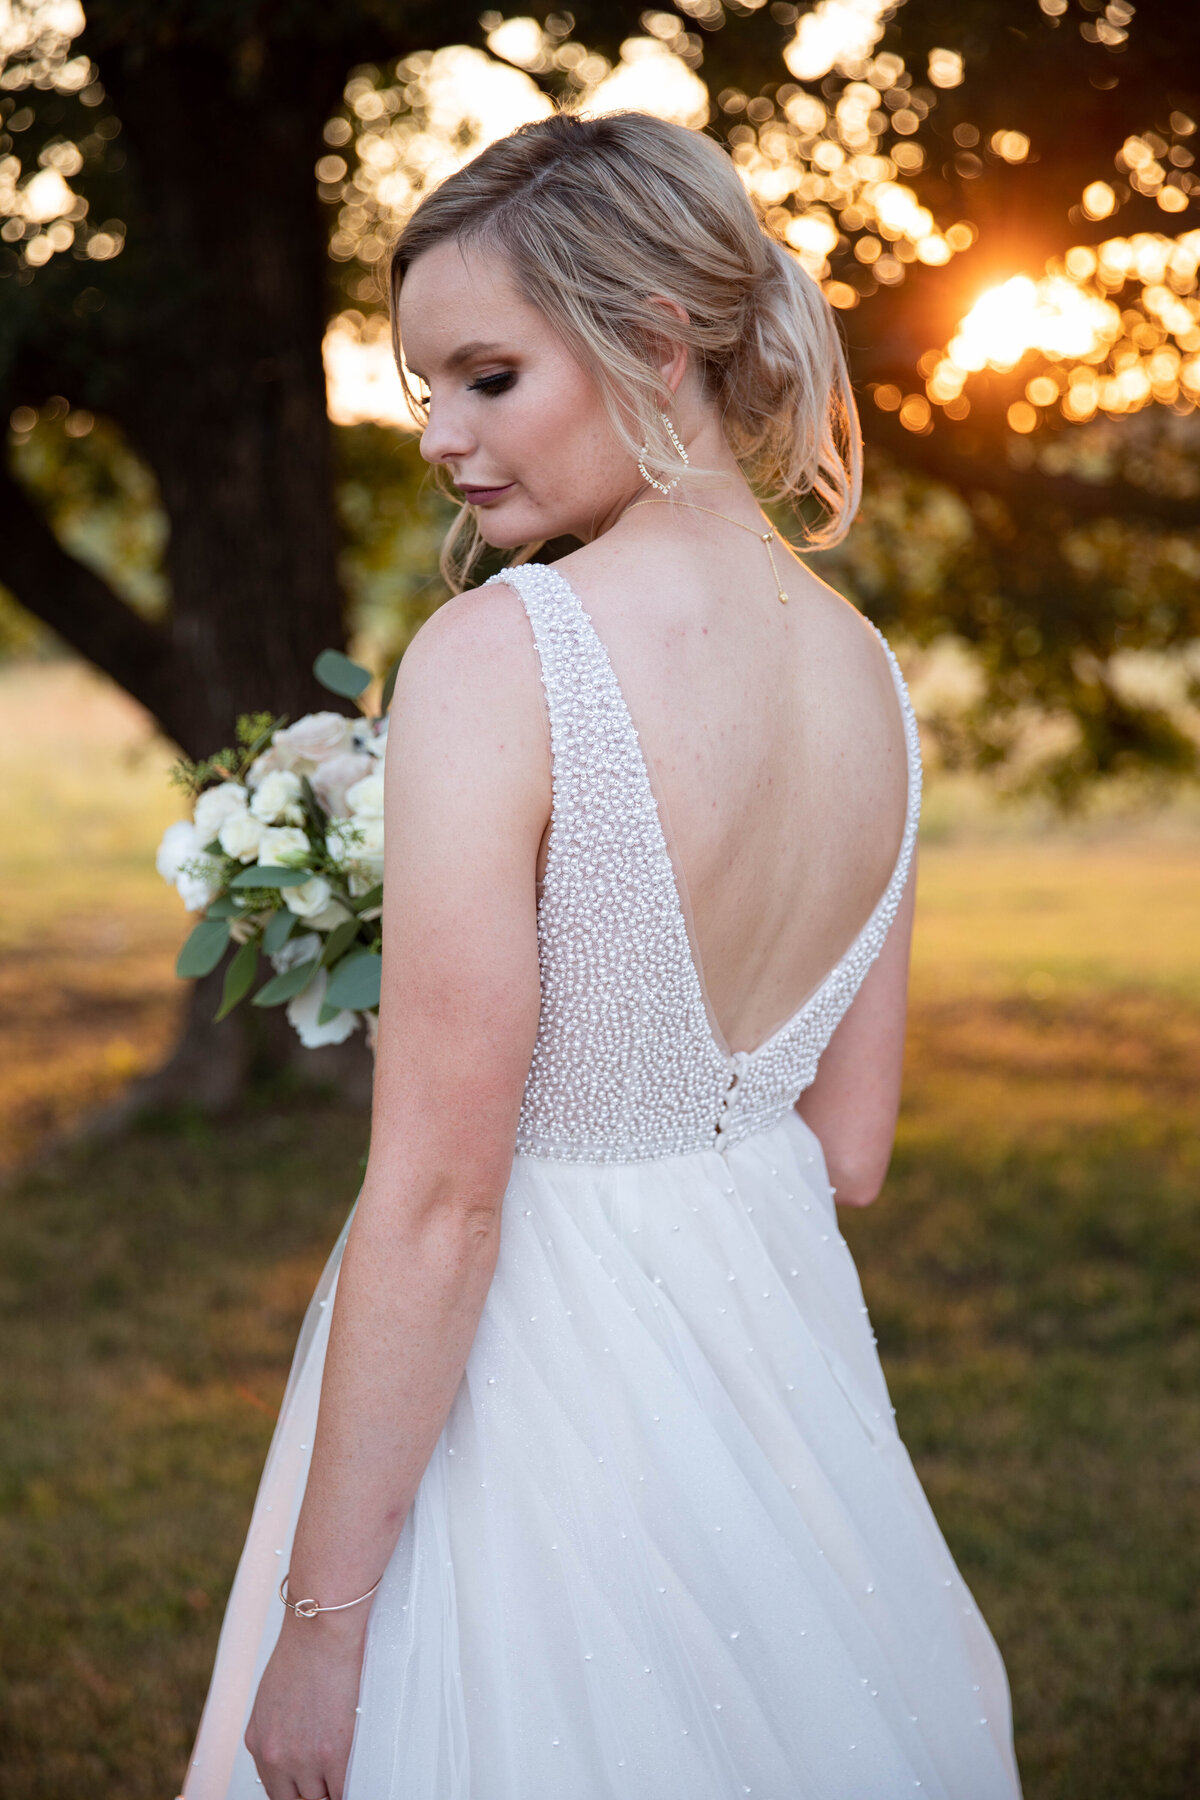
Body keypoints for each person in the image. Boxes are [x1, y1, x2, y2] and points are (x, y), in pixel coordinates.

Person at [181, 109, 1022, 1800]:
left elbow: (440, 1197)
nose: (439, 435)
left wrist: (330, 1623)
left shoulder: (505, 657)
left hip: (532, 1375)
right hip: (773, 1362)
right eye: (424, 388)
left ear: (653, 338)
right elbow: (848, 1149)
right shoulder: (869, 677)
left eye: (487, 376)